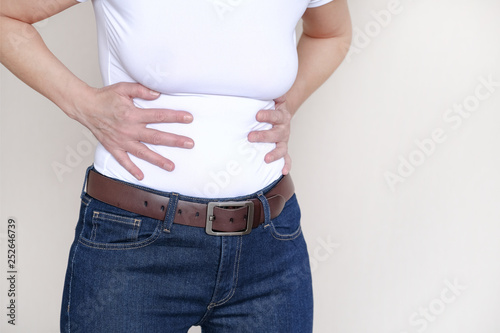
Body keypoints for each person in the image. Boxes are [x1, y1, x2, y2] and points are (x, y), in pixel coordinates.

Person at [0, 0, 352, 332]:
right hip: (133, 247)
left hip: (269, 250)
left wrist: (286, 107)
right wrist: (84, 105)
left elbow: (332, 33)